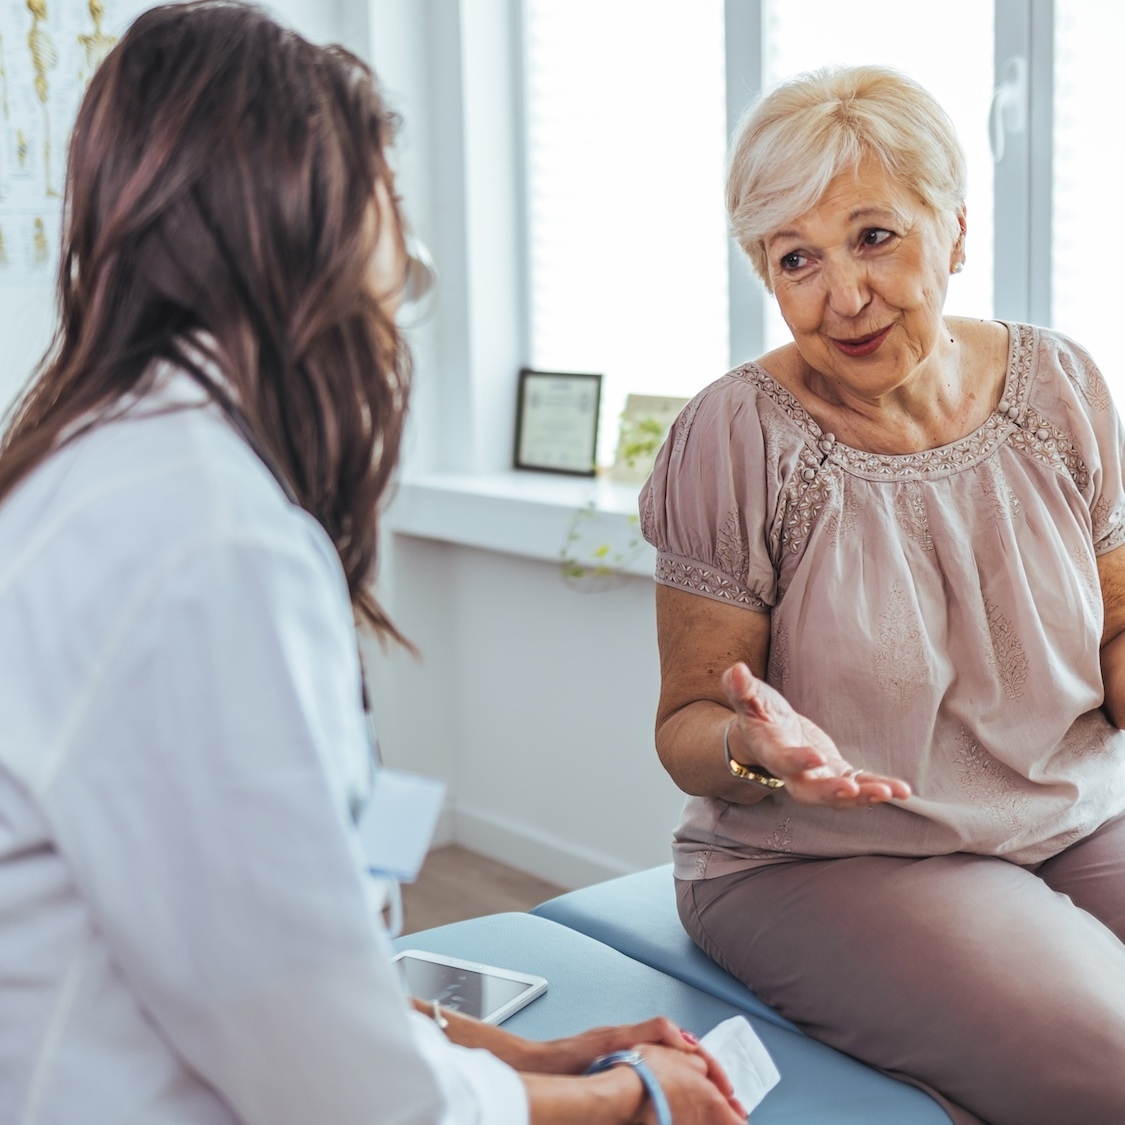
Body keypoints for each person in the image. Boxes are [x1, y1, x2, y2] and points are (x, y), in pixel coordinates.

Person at [0, 5, 745, 1123]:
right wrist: (628, 1100)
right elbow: (331, 1081)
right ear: (311, 237)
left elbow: (259, 966)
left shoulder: (97, 469)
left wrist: (525, 1059)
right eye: (397, 262)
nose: (396, 311)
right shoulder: (207, 542)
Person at [640, 64, 1125, 1125]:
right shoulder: (736, 435)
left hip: (1071, 813)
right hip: (827, 857)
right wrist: (755, 750)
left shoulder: (1061, 388)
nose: (844, 297)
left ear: (954, 231)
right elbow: (687, 723)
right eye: (796, 258)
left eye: (873, 237)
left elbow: (1117, 625)